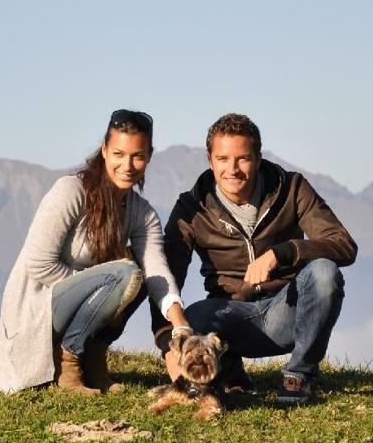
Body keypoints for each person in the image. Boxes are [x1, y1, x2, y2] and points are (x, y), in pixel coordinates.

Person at [153, 113, 357, 405]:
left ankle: (298, 376)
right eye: (223, 159)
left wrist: (282, 252)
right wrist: (167, 344)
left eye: (243, 159)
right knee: (193, 318)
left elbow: (344, 245)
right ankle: (228, 372)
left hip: (286, 310)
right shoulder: (191, 207)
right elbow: (165, 277)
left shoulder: (293, 189)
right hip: (229, 318)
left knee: (324, 273)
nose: (232, 169)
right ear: (210, 160)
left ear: (258, 158)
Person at [0, 109, 191, 395]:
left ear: (149, 156)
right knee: (125, 273)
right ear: (104, 151)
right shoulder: (70, 191)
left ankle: (94, 358)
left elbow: (157, 270)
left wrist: (180, 323)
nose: (128, 164)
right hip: (39, 306)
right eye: (119, 154)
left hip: (83, 305)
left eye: (137, 156)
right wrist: (99, 289)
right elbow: (39, 264)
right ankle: (69, 362)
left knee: (138, 272)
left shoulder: (142, 214)